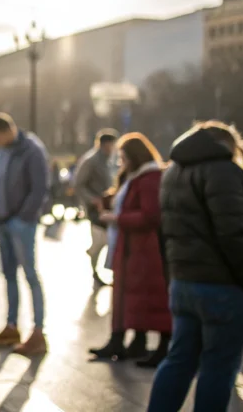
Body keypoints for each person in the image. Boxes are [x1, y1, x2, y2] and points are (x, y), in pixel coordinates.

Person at [147, 121, 243, 412]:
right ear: (226, 144)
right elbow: (233, 234)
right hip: (223, 286)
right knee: (219, 367)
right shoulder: (224, 171)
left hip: (184, 283)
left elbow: (165, 233)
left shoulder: (173, 172)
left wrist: (172, 277)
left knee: (178, 361)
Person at [90, 133, 171, 368]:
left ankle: (142, 342)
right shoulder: (139, 177)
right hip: (133, 247)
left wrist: (117, 217)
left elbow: (150, 215)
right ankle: (132, 340)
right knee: (131, 296)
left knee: (146, 297)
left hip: (144, 249)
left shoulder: (149, 178)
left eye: (124, 157)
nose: (121, 162)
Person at [0, 113, 50, 356]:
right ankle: (12, 325)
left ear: (8, 130)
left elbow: (40, 187)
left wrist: (23, 216)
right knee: (9, 275)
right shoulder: (2, 151)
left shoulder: (31, 150)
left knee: (30, 274)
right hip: (1, 220)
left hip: (20, 222)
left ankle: (38, 331)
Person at [73, 129, 119, 287]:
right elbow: (79, 184)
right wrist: (92, 199)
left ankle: (95, 257)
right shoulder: (91, 160)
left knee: (105, 240)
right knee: (101, 241)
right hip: (95, 208)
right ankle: (95, 271)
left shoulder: (109, 160)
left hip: (107, 206)